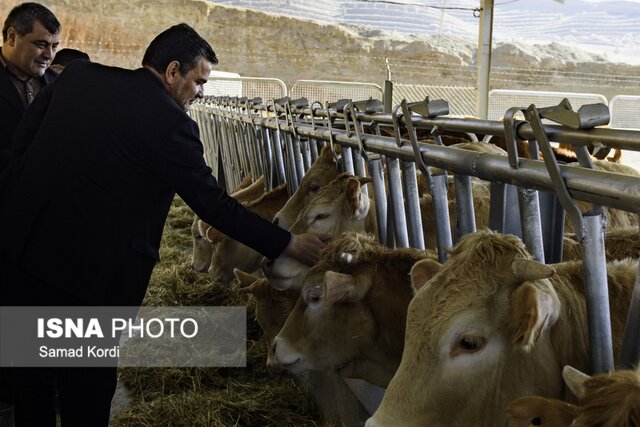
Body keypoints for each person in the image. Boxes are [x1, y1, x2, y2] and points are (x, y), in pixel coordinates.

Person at [0, 23, 327, 426]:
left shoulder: (77, 79)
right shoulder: (171, 125)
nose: (201, 92)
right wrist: (288, 244)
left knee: (32, 378)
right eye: (199, 81)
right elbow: (214, 206)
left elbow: (22, 144)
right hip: (95, 278)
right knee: (85, 385)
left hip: (29, 256)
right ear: (173, 71)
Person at [0, 2, 60, 174]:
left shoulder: (57, 84)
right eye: (41, 44)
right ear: (12, 37)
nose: (49, 55)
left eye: (54, 46)